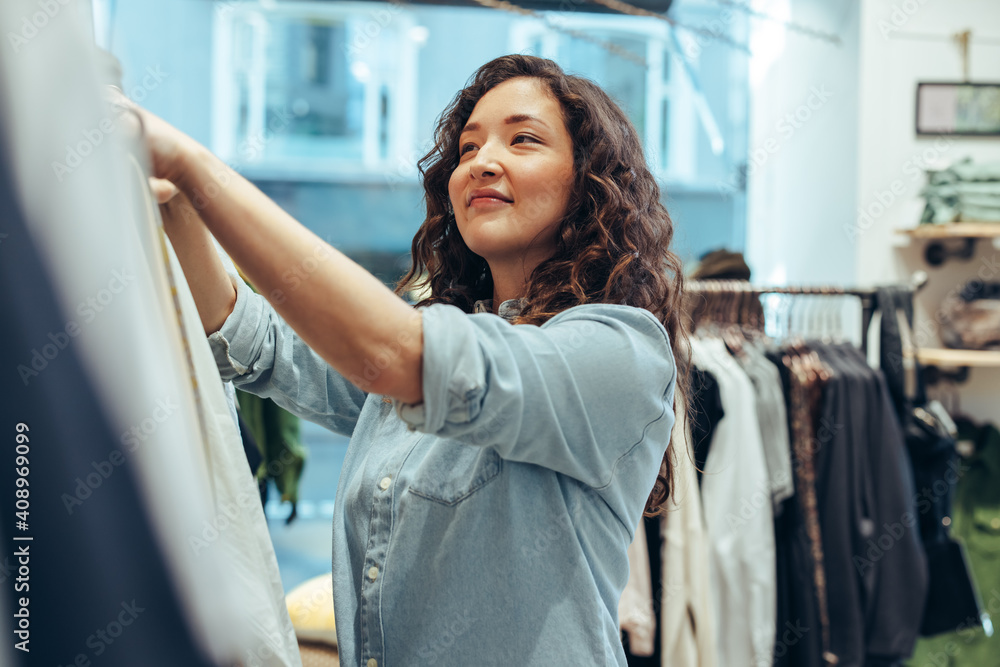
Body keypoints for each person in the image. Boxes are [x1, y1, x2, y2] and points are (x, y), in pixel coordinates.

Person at [137, 54, 688, 666]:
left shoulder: (619, 352)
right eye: (468, 147)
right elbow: (258, 344)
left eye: (523, 139)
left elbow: (396, 356)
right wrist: (177, 200)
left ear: (590, 181)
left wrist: (196, 166)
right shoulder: (435, 330)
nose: (480, 161)